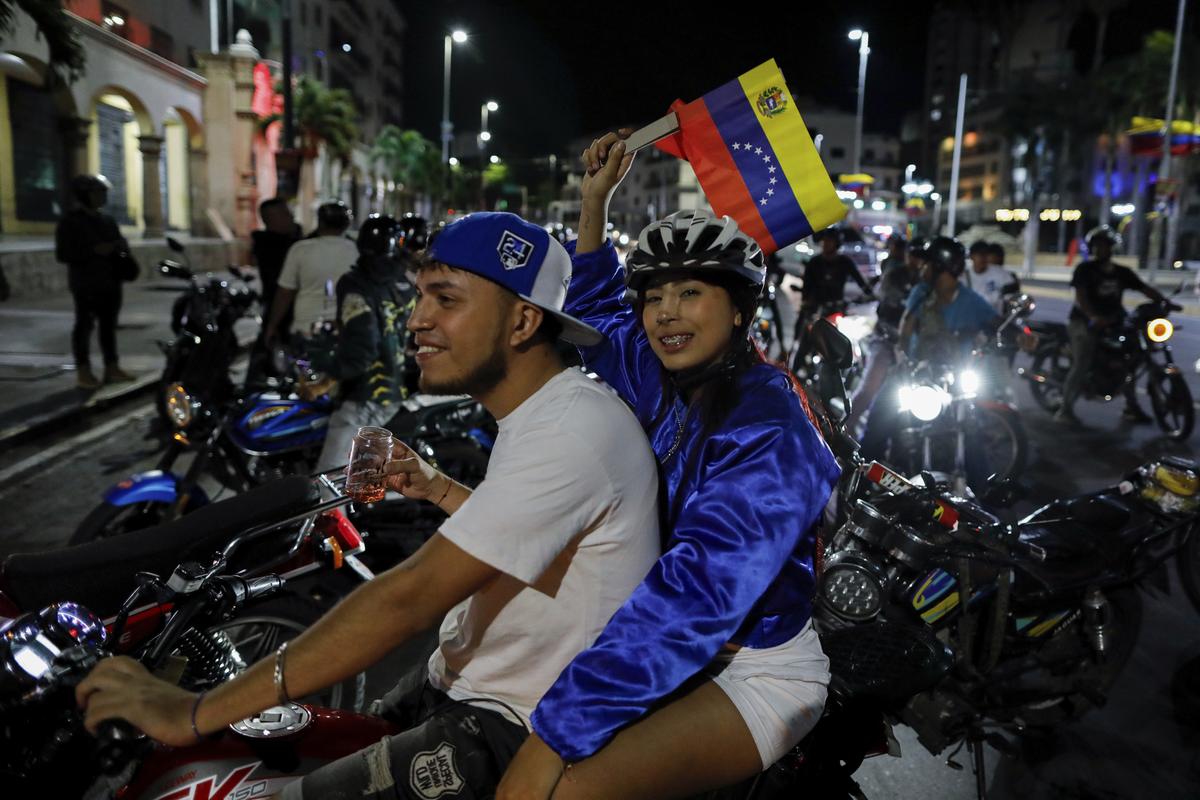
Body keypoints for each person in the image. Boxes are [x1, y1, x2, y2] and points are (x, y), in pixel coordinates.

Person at [76, 211, 661, 800]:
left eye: (446, 299)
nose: (416, 321)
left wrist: (195, 710)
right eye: (418, 297)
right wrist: (438, 489)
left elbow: (406, 597)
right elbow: (549, 549)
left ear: (523, 321)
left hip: (516, 723)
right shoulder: (546, 411)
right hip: (462, 682)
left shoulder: (570, 430)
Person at [497, 133, 840, 799]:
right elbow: (596, 313)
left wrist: (556, 732)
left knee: (562, 790)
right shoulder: (666, 380)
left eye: (690, 292)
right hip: (668, 650)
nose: (665, 313)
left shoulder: (771, 427)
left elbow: (699, 591)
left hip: (751, 669)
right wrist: (595, 200)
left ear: (740, 311)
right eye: (654, 296)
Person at [858, 236, 998, 490]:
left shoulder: (970, 301)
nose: (922, 268)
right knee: (879, 419)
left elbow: (996, 322)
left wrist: (1020, 336)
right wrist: (904, 357)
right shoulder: (921, 293)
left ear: (941, 268)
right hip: (915, 373)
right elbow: (906, 326)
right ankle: (862, 477)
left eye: (928, 264)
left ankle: (985, 494)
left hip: (952, 379)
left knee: (971, 428)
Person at [300, 215, 413, 476]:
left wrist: (321, 385)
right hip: (398, 386)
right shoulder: (403, 283)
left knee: (327, 483)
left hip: (367, 396)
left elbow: (362, 350)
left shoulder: (356, 285)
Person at [1055, 225, 1178, 425]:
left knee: (1132, 357)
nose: (1099, 249)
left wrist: (1165, 302)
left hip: (1114, 321)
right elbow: (1081, 296)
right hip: (1083, 322)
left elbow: (1144, 288)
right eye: (1095, 245)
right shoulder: (1085, 269)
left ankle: (1131, 407)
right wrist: (1092, 316)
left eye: (1103, 245)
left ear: (1111, 248)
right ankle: (1065, 409)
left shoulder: (1122, 272)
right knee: (1082, 361)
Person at [54, 174, 135, 389]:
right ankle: (84, 370)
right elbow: (62, 254)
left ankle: (112, 366)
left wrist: (119, 248)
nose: (102, 197)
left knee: (108, 326)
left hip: (110, 280)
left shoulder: (106, 220)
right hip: (86, 282)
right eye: (97, 193)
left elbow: (119, 245)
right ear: (84, 195)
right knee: (84, 325)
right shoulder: (70, 222)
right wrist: (93, 251)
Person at [845, 235, 923, 434]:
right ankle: (844, 430)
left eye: (922, 256)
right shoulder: (894, 275)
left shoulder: (928, 282)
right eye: (914, 255)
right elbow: (890, 299)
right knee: (870, 387)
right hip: (886, 340)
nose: (917, 260)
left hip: (915, 349)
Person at [263, 200, 358, 344]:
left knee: (302, 365)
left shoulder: (300, 249)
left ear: (320, 223)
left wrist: (271, 326)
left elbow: (285, 293)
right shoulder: (357, 251)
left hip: (306, 329)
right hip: (347, 328)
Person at [250, 196, 302, 325]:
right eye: (284, 214)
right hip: (282, 311)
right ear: (271, 219)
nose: (291, 218)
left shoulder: (291, 242)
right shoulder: (269, 246)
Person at [963, 239, 1019, 314]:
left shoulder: (1000, 273)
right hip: (970, 320)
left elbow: (1012, 295)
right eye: (980, 254)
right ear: (972, 256)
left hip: (995, 321)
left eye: (986, 255)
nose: (983, 258)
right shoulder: (963, 276)